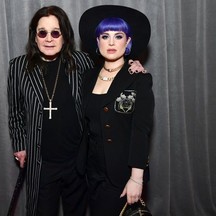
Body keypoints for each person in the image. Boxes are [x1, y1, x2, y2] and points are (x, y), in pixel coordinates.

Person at [7, 5, 145, 216]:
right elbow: (15, 112)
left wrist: (133, 64)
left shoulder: (82, 62)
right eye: (42, 32)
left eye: (56, 32)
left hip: (78, 163)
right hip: (42, 162)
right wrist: (19, 146)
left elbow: (112, 66)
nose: (49, 39)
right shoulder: (18, 67)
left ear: (65, 36)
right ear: (34, 37)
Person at [79, 5, 155, 216]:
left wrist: (136, 178)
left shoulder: (139, 79)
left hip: (122, 173)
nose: (111, 42)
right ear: (97, 41)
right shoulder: (87, 78)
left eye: (118, 35)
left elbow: (141, 131)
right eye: (105, 36)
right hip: (90, 173)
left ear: (128, 41)